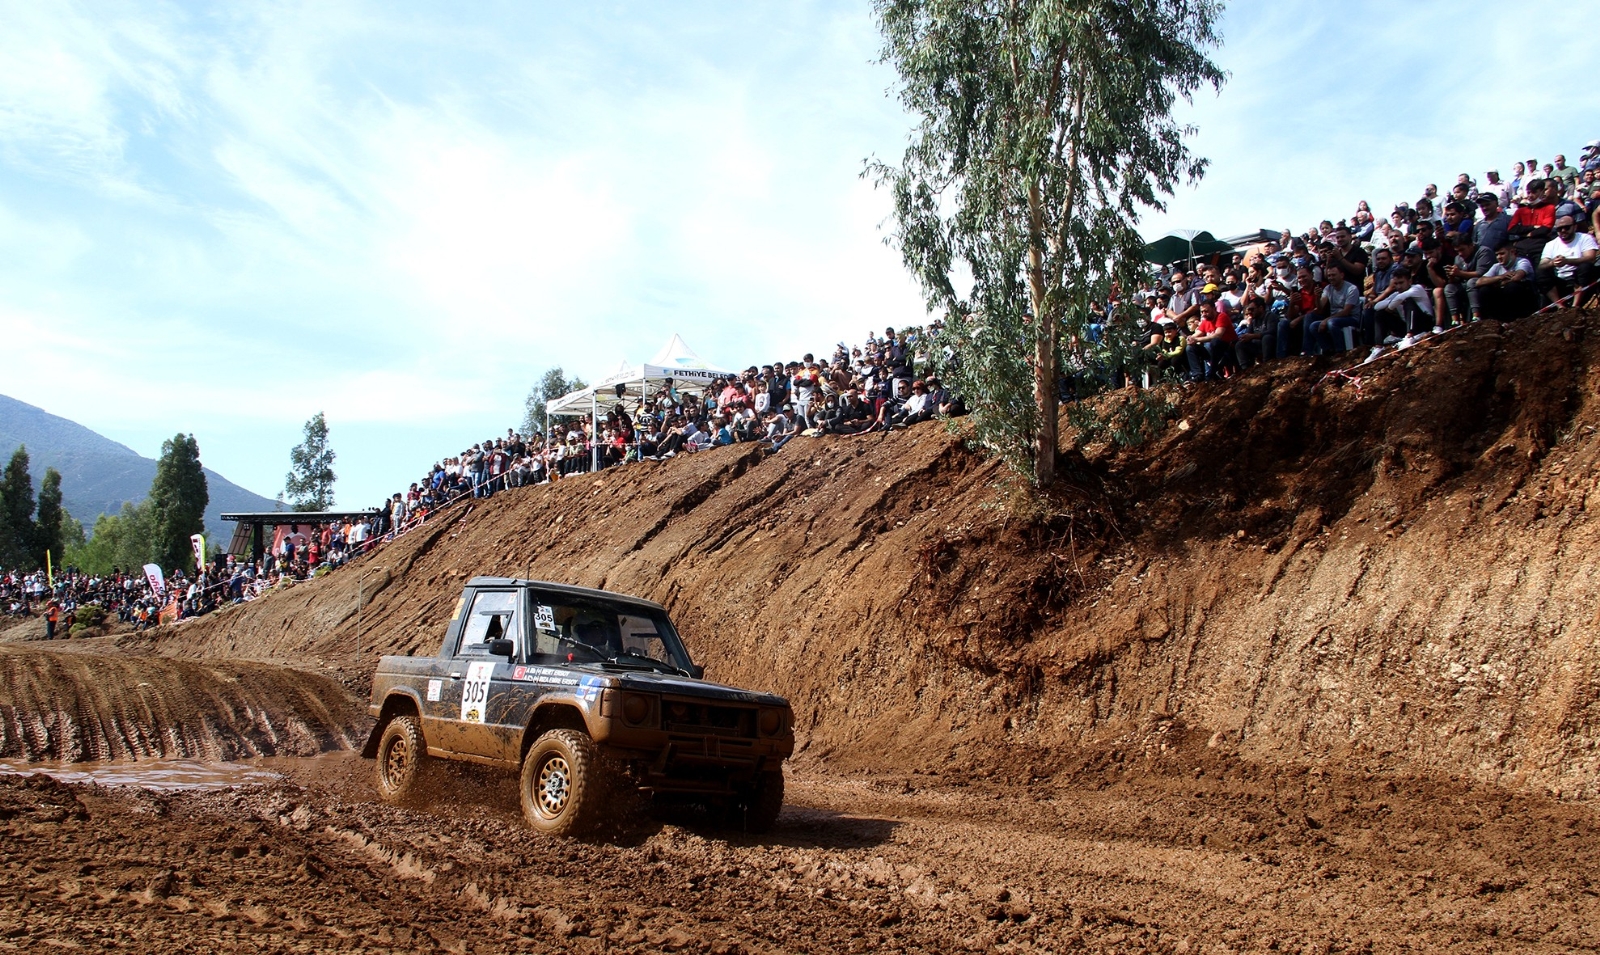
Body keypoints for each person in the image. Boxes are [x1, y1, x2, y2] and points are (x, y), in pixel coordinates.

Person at [1539, 215, 1598, 306]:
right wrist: (1552, 263)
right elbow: (1542, 265)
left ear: (1575, 227)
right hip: (1560, 279)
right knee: (1541, 272)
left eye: (1566, 227)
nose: (1563, 230)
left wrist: (1567, 261)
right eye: (1559, 229)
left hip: (1579, 276)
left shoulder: (1585, 238)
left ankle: (1575, 306)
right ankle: (1560, 306)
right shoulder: (1550, 244)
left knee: (1586, 267)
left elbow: (1590, 258)